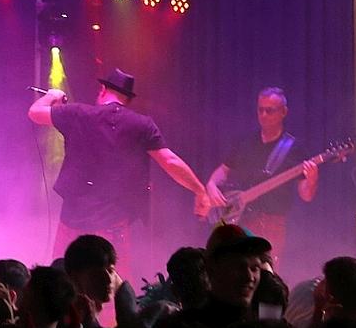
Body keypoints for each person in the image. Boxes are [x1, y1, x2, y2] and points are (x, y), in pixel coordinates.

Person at [28, 67, 216, 273]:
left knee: (64, 279)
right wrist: (199, 190)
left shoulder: (78, 113)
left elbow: (35, 113)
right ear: (127, 99)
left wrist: (52, 95)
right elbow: (170, 161)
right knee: (110, 284)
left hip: (72, 220)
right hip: (113, 226)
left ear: (102, 90)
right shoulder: (142, 124)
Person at [206, 87, 322, 252]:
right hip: (239, 221)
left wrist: (312, 179)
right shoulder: (245, 142)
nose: (264, 115)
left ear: (283, 112)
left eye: (269, 111)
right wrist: (211, 185)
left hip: (271, 224)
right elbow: (223, 170)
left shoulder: (294, 149)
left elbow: (306, 195)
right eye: (260, 110)